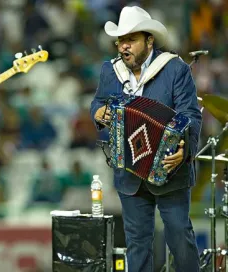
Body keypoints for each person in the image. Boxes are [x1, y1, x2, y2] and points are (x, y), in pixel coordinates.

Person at [90, 6, 202, 272]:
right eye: (120, 41)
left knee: (179, 238)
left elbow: (190, 115)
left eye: (130, 40)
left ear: (149, 40)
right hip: (129, 172)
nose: (123, 47)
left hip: (168, 168)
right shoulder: (111, 71)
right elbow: (97, 102)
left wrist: (184, 149)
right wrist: (98, 112)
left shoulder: (175, 69)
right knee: (137, 243)